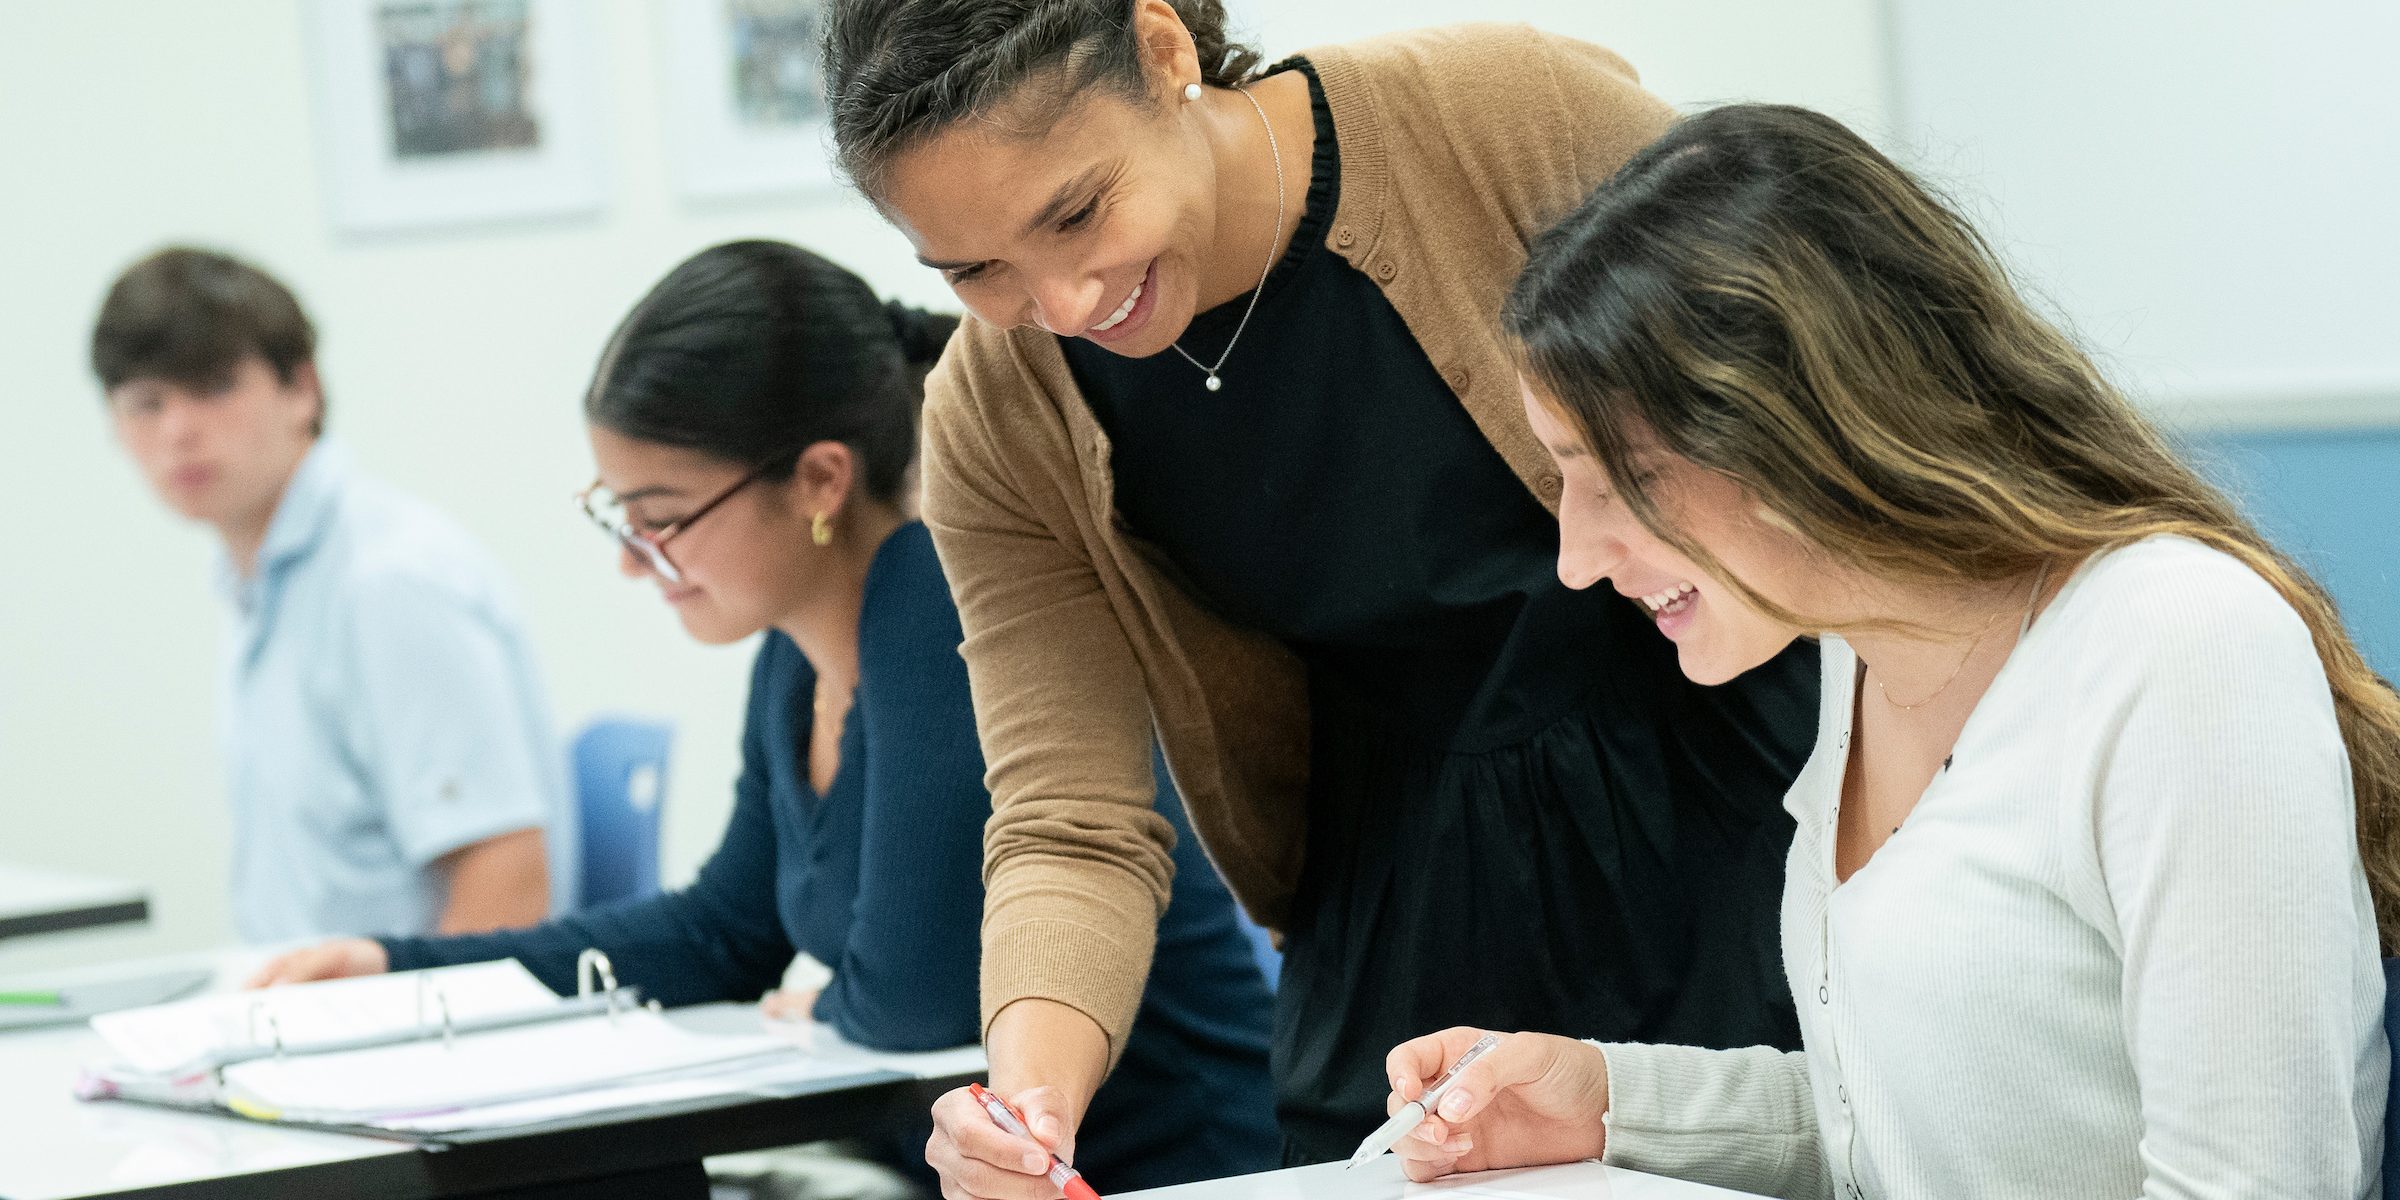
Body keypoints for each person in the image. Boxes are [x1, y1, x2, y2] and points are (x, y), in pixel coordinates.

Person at [817, 0, 1821, 1182]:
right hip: (1399, 915)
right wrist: (1024, 1110)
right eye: (978, 269)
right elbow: (1069, 822)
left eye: (1078, 212)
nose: (1067, 306)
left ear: (1162, 48)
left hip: (1755, 809)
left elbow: (1870, 414)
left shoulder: (1506, 119)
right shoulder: (998, 417)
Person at [1378, 103, 2396, 1199]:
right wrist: (1610, 1102)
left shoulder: (2181, 650)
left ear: (1785, 422)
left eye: (1614, 478)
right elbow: (1916, 1133)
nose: (1576, 557)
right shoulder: (1857, 655)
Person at [249, 241, 1279, 1191]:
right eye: (621, 517)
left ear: (819, 482)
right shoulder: (794, 658)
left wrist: (821, 1001)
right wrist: (400, 963)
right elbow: (719, 934)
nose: (633, 559)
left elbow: (914, 1000)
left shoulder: (935, 605)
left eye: (660, 519)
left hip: (1164, 1172)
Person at [90, 246, 573, 942]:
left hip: (401, 1028)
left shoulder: (385, 581)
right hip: (304, 1013)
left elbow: (508, 881)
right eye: (146, 404)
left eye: (214, 388)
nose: (178, 431)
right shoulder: (259, 580)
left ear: (302, 390)